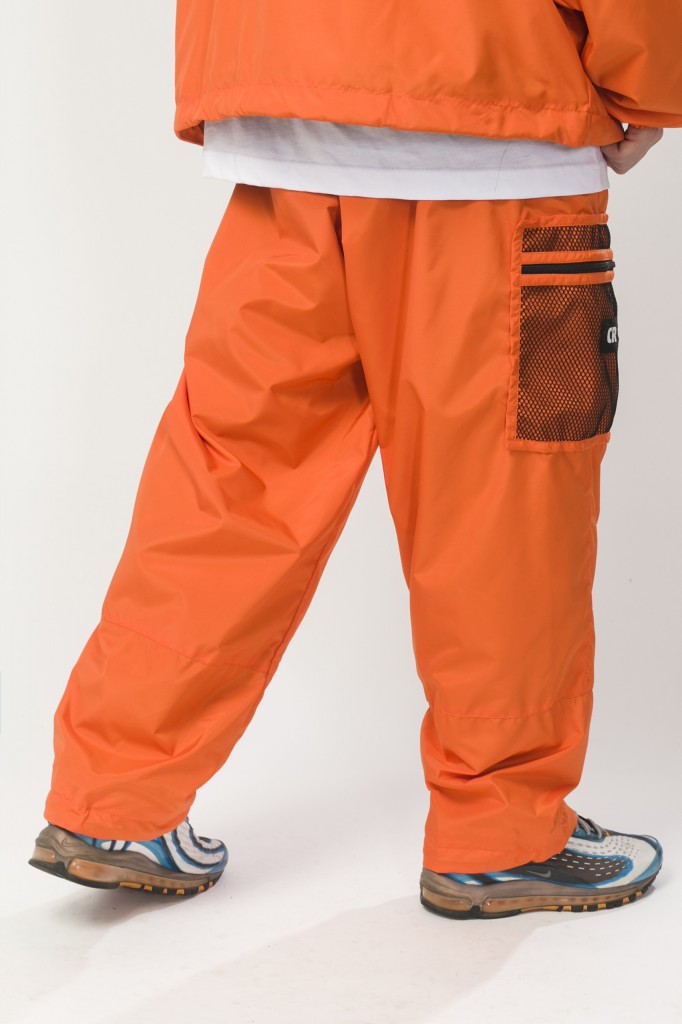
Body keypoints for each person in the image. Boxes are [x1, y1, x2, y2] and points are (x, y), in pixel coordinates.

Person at [29, 1, 681, 918]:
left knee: (232, 479)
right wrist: (650, 86)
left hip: (284, 115)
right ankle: (503, 832)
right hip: (492, 122)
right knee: (501, 498)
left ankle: (114, 799)